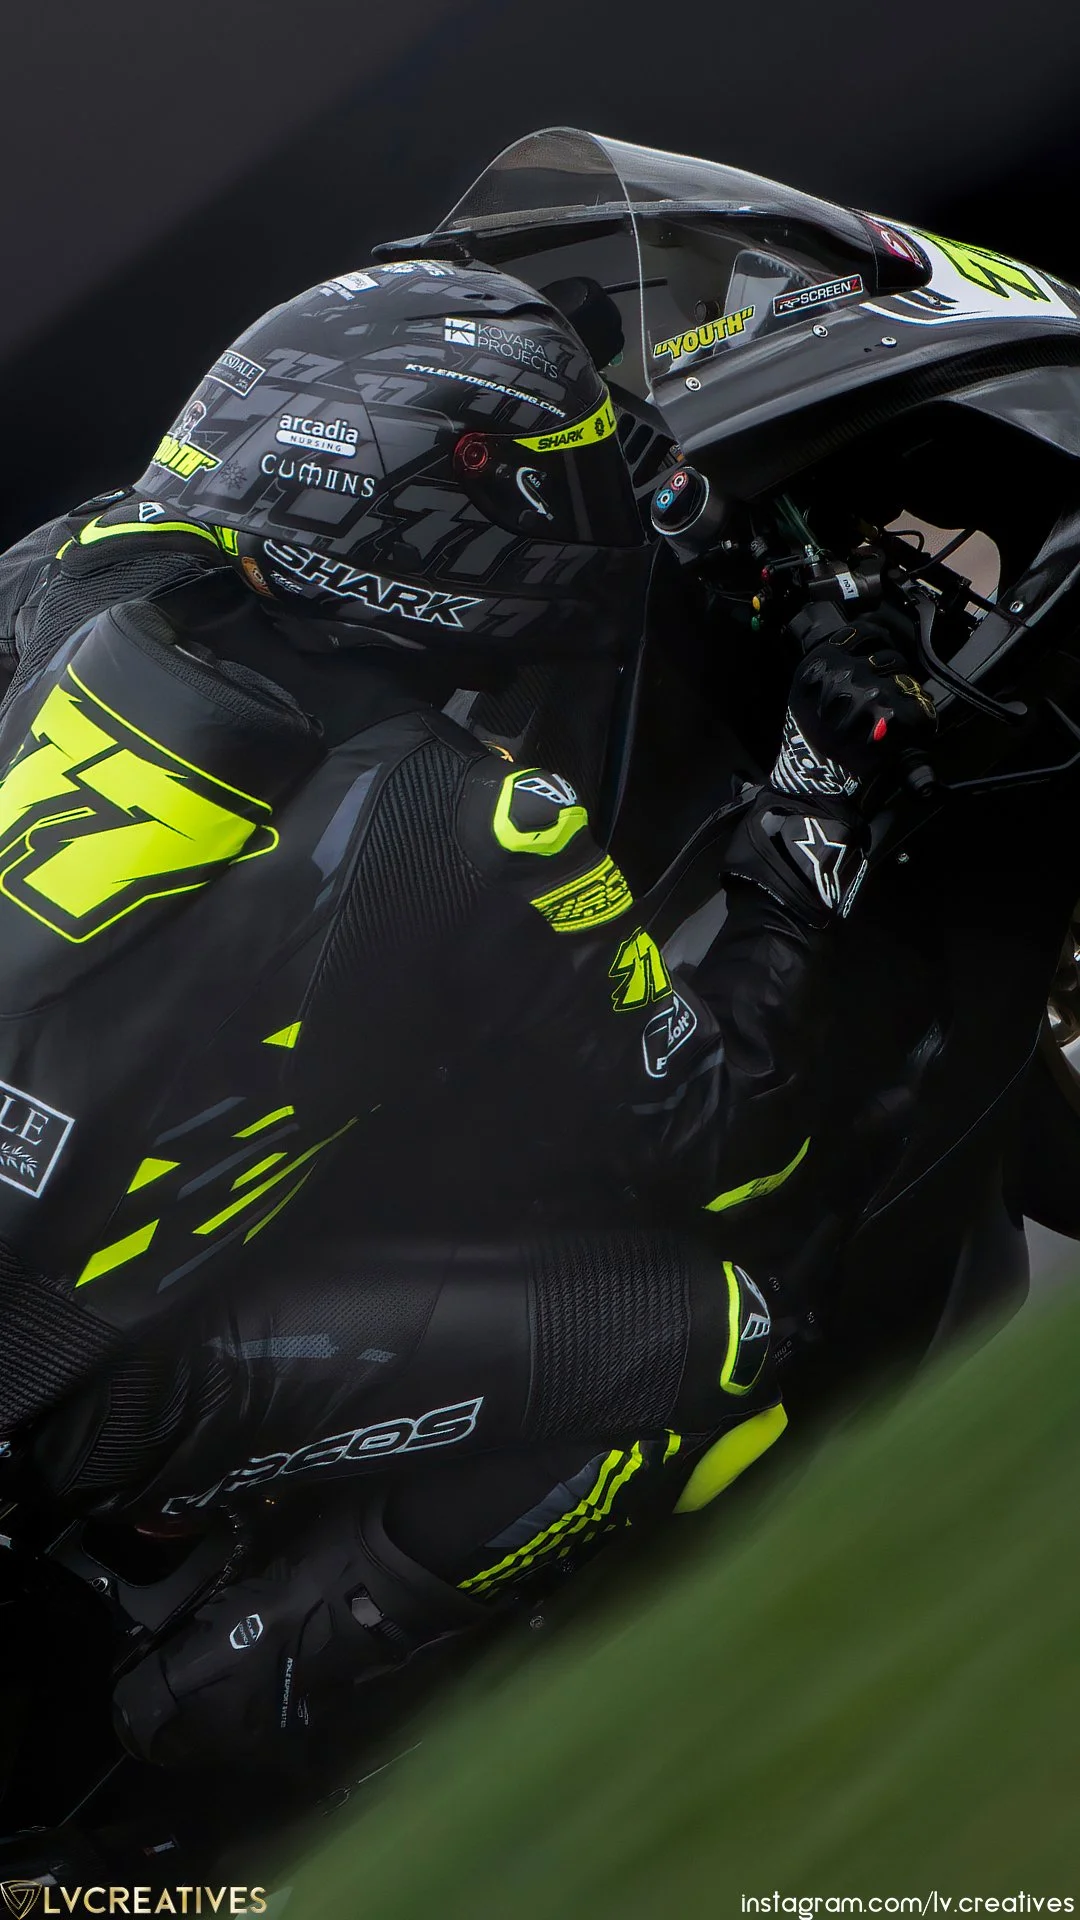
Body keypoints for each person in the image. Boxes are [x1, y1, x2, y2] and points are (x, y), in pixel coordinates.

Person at [0, 260, 936, 1770]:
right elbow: (724, 1127)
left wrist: (593, 446)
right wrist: (821, 807)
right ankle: (160, 1774)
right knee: (711, 1347)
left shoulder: (64, 572)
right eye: (534, 469)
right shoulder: (460, 820)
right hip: (69, 1392)